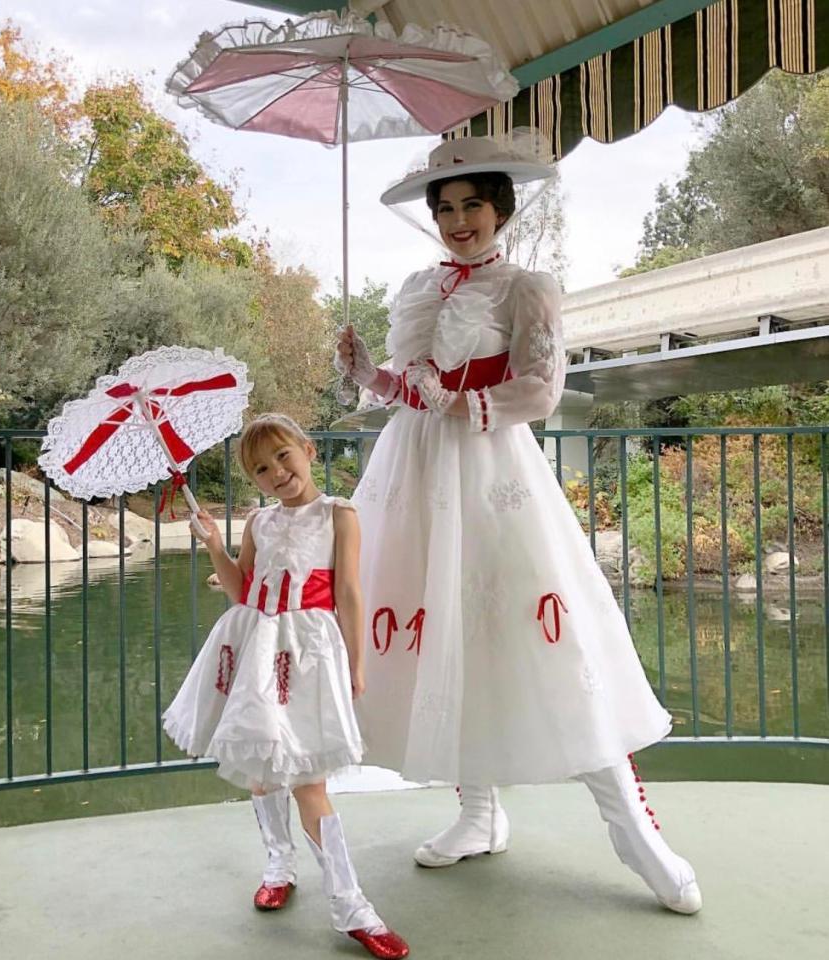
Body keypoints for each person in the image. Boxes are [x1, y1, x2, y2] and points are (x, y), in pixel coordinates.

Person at [335, 133, 702, 915]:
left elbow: (540, 389)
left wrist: (461, 403)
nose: (459, 220)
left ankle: (637, 833)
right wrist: (370, 373)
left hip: (492, 471)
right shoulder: (416, 286)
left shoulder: (526, 288)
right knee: (444, 634)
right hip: (415, 471)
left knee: (544, 638)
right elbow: (410, 388)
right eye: (446, 208)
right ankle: (478, 811)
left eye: (473, 205)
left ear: (500, 209)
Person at [163, 413, 409, 959]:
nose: (276, 472)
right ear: (253, 481)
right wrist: (213, 545)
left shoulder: (339, 515)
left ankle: (352, 906)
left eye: (283, 456)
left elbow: (348, 592)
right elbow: (241, 590)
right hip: (255, 647)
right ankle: (279, 862)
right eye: (261, 468)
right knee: (261, 768)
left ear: (307, 451)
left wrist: (357, 664)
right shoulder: (258, 522)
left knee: (309, 782)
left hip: (311, 653)